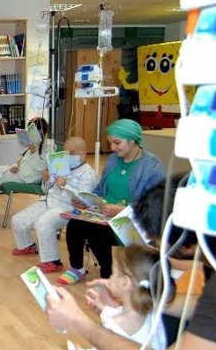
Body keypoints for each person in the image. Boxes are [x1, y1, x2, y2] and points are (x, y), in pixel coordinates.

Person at [47, 183, 216, 350]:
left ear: (186, 244)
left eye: (153, 242)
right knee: (162, 321)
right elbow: (205, 306)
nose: (153, 249)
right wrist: (135, 298)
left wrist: (79, 322)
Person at [56, 119, 164, 285]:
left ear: (133, 140)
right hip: (105, 213)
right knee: (75, 224)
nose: (112, 148)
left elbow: (154, 204)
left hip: (131, 220)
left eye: (117, 143)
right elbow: (101, 189)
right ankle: (77, 268)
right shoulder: (114, 160)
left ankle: (108, 276)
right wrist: (87, 200)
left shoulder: (151, 165)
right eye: (111, 143)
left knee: (98, 231)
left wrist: (122, 209)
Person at [65, 246, 167, 350]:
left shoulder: (119, 324)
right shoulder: (151, 314)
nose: (109, 277)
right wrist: (104, 309)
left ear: (125, 283)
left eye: (113, 273)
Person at [10, 136, 99, 272]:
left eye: (73, 153)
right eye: (66, 153)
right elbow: (47, 190)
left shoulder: (88, 173)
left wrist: (66, 185)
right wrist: (45, 179)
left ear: (84, 154)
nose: (68, 156)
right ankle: (28, 245)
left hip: (69, 208)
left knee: (43, 224)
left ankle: (53, 261)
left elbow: (84, 200)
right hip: (50, 202)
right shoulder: (60, 165)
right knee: (17, 220)